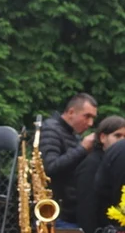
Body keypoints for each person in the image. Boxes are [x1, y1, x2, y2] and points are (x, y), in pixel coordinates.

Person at [40, 92, 98, 225]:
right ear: (71, 112)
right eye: (87, 116)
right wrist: (82, 149)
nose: (90, 123)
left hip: (70, 212)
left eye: (93, 118)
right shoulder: (51, 130)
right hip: (57, 214)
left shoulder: (73, 135)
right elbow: (50, 168)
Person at [74, 115, 125, 233]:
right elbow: (87, 208)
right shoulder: (93, 164)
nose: (121, 140)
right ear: (102, 137)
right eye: (117, 136)